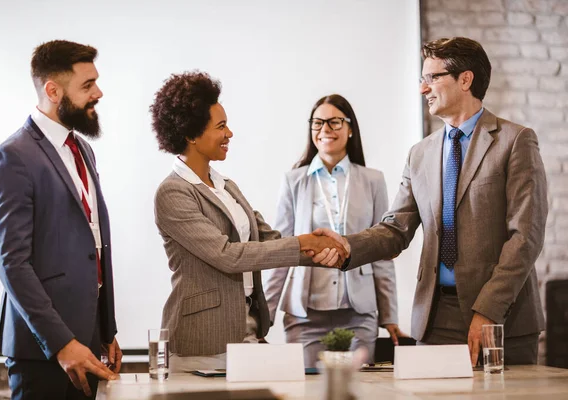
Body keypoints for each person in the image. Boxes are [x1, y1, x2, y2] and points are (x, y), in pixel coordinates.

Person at [316, 37, 547, 366]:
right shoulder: (420, 153)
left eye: (432, 78)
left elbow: (526, 236)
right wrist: (347, 246)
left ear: (465, 79)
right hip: (435, 320)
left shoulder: (515, 141)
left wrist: (488, 310)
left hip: (502, 319)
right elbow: (396, 229)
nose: (423, 89)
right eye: (422, 80)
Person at [150, 71, 348, 372]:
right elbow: (227, 255)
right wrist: (303, 244)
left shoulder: (226, 185)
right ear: (191, 134)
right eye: (221, 126)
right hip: (203, 343)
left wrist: (327, 250)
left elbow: (268, 239)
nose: (229, 133)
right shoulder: (173, 192)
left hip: (249, 333)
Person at [0, 40, 121, 399]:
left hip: (90, 341)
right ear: (53, 90)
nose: (99, 93)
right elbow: (12, 263)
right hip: (44, 352)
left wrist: (106, 331)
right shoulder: (12, 157)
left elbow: (92, 243)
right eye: (87, 85)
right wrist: (62, 344)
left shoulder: (83, 149)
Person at [264, 94, 406, 367]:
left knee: (357, 391)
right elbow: (280, 253)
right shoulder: (293, 181)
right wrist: (264, 318)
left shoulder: (373, 180)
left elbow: (381, 251)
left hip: (358, 313)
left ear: (350, 128)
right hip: (305, 315)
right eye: (317, 123)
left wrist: (389, 317)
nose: (325, 129)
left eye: (334, 122)